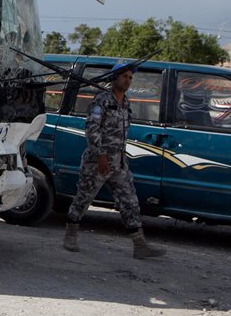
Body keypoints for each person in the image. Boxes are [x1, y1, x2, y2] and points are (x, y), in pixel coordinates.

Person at [63, 61, 166, 259]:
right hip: (97, 162)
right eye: (124, 76)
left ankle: (139, 244)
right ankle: (71, 235)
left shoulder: (126, 104)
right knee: (83, 199)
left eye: (130, 77)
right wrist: (101, 156)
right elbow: (92, 130)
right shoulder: (101, 101)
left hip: (118, 163)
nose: (127, 80)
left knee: (130, 201)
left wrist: (118, 159)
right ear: (114, 78)